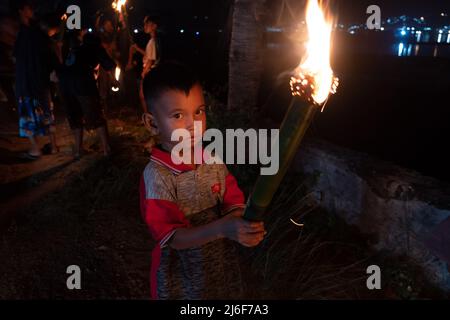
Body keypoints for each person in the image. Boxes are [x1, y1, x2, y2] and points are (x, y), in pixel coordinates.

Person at [139, 62, 266, 300]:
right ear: (152, 123)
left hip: (220, 266)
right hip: (181, 277)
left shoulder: (212, 160)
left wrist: (243, 226)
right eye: (178, 115)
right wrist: (223, 228)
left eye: (199, 111)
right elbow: (173, 238)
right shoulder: (158, 176)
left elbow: (233, 202)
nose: (193, 124)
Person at [57, 29, 117, 159]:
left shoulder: (76, 50)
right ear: (98, 42)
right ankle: (106, 149)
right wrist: (114, 81)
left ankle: (78, 151)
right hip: (83, 86)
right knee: (97, 116)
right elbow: (110, 66)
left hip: (65, 87)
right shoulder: (95, 48)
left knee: (76, 118)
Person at [14, 1, 59, 159]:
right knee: (46, 112)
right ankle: (53, 146)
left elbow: (19, 58)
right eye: (28, 7)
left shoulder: (27, 32)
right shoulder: (35, 31)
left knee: (29, 115)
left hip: (29, 81)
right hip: (40, 81)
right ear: (21, 11)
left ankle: (35, 149)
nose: (31, 9)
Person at [127, 15, 160, 112]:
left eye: (147, 23)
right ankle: (150, 117)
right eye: (144, 23)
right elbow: (149, 55)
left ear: (154, 26)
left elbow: (151, 59)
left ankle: (149, 118)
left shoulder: (153, 41)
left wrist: (144, 71)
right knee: (147, 96)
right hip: (150, 70)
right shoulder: (153, 41)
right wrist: (137, 49)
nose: (145, 26)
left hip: (150, 71)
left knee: (143, 96)